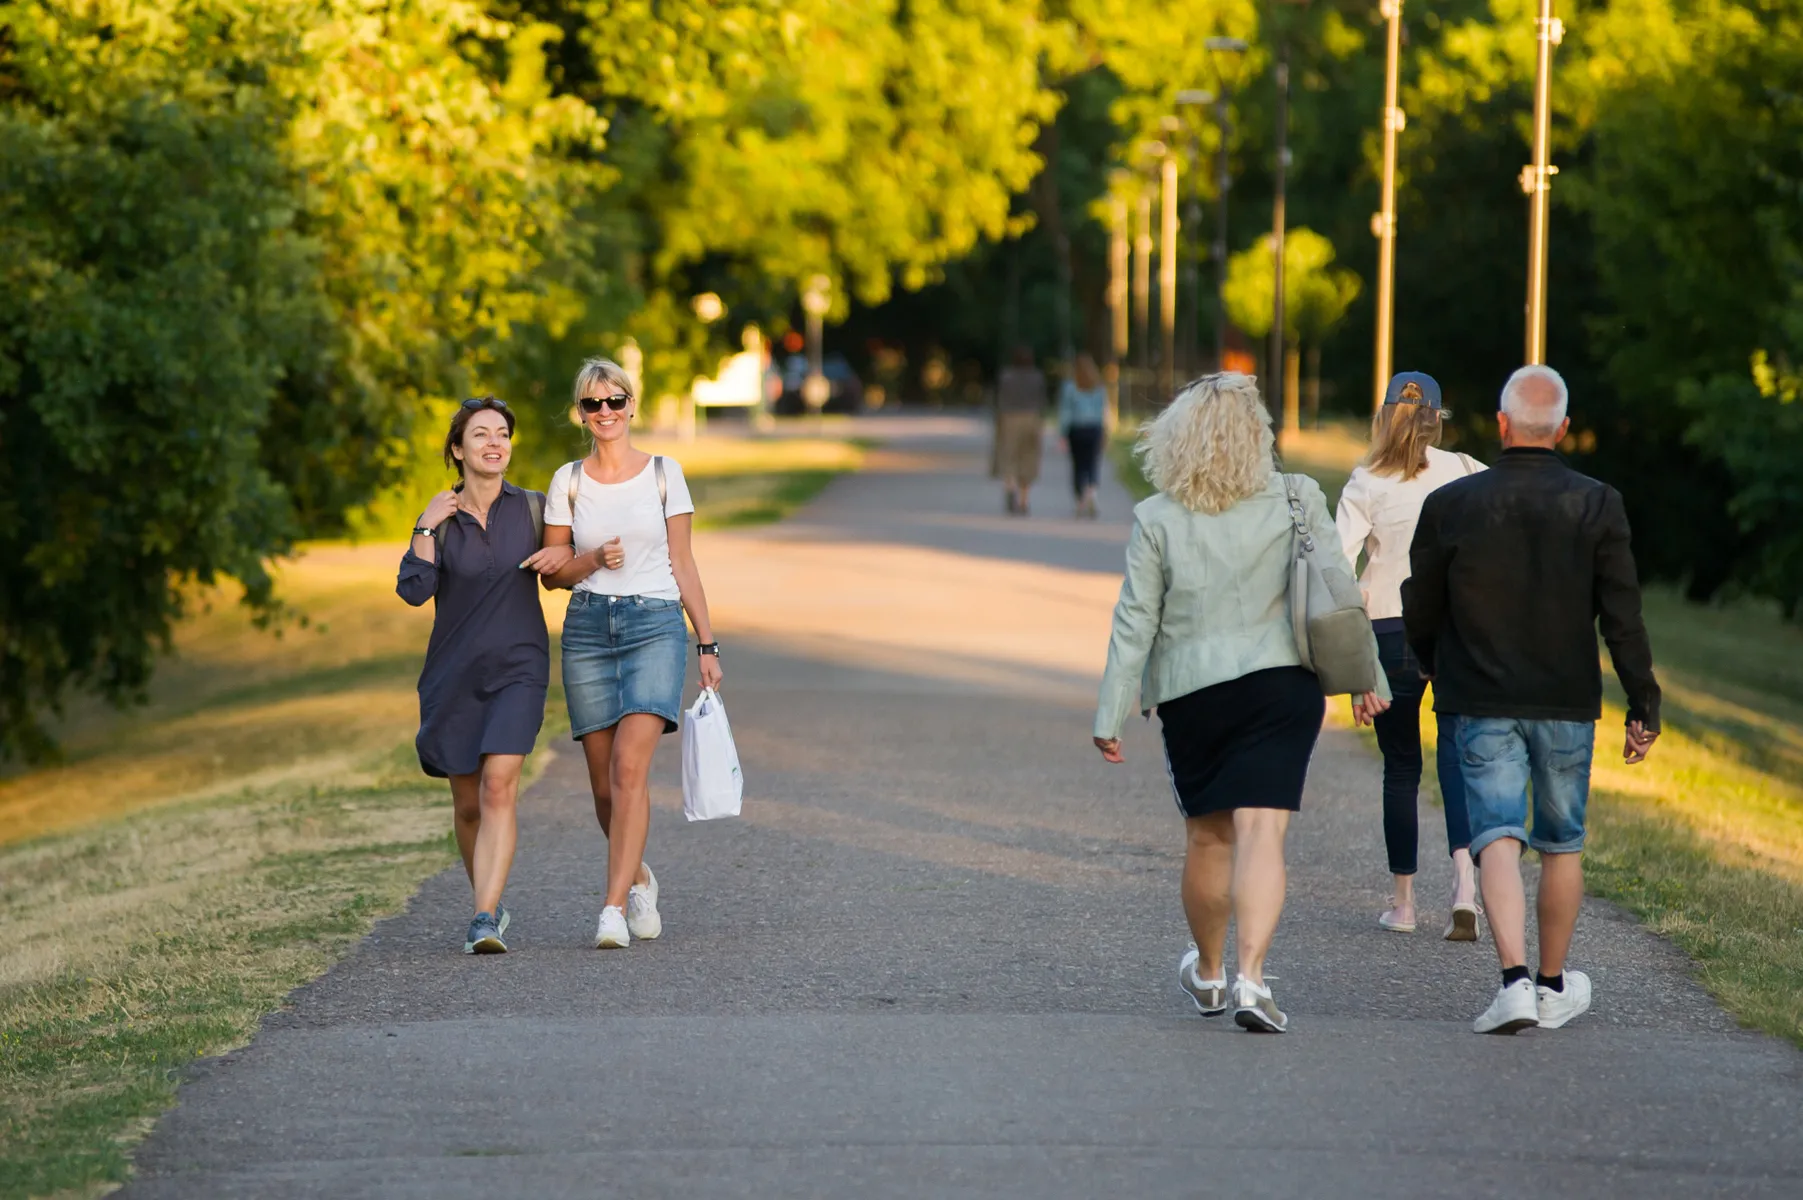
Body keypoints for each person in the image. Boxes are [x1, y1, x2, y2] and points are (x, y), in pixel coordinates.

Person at [1093, 373, 1389, 1033]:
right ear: (1257, 435)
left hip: (1193, 695)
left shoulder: (1156, 518)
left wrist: (1109, 711)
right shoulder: (1295, 497)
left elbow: (1134, 621)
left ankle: (1208, 973)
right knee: (1263, 831)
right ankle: (1252, 981)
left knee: (1208, 835)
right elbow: (1338, 592)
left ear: (1179, 440)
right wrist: (1371, 677)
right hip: (1281, 685)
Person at [1403, 364, 1661, 1035]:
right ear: (1564, 430)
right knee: (1561, 843)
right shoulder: (1597, 503)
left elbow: (1418, 603)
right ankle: (1551, 984)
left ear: (1500, 424)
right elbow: (1621, 615)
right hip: (1566, 699)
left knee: (1494, 835)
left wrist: (1433, 665)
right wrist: (1642, 703)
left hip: (1480, 694)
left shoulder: (1453, 504)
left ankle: (1511, 981)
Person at [538, 357, 724, 949]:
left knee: (628, 770)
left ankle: (612, 909)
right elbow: (553, 574)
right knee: (602, 789)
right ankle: (640, 877)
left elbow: (684, 563)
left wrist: (707, 643)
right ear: (581, 414)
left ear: (631, 405)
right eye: (593, 404)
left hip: (656, 627)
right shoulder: (567, 481)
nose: (606, 413)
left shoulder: (665, 474)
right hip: (589, 632)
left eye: (615, 400)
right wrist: (592, 559)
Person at [397, 396, 559, 955]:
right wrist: (424, 524)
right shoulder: (440, 519)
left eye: (503, 434)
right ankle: (488, 904)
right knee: (467, 804)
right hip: (453, 677)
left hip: (519, 668)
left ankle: (484, 916)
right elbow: (414, 591)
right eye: (481, 434)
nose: (495, 443)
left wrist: (580, 560)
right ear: (457, 450)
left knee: (497, 786)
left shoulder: (535, 508)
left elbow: (565, 569)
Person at [1336, 371, 1485, 939]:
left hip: (1388, 634)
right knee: (1457, 758)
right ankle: (1465, 887)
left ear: (1384, 416)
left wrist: (1357, 669)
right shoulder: (1466, 471)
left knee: (1400, 767)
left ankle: (1403, 905)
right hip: (1452, 631)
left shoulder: (1365, 481)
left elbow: (1338, 572)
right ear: (1437, 420)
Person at [994, 345, 1048, 516]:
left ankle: (1010, 486)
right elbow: (1042, 401)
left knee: (1009, 456)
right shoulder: (1037, 377)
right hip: (1031, 418)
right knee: (1028, 458)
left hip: (1009, 417)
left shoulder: (1006, 376)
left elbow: (999, 399)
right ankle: (1024, 500)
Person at [1058, 354, 1109, 519]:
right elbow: (1103, 412)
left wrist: (1063, 434)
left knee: (1078, 465)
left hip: (1076, 429)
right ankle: (1092, 492)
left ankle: (1080, 500)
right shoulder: (1099, 387)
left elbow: (1065, 412)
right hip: (1094, 429)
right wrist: (1104, 431)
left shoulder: (1070, 387)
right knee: (1092, 462)